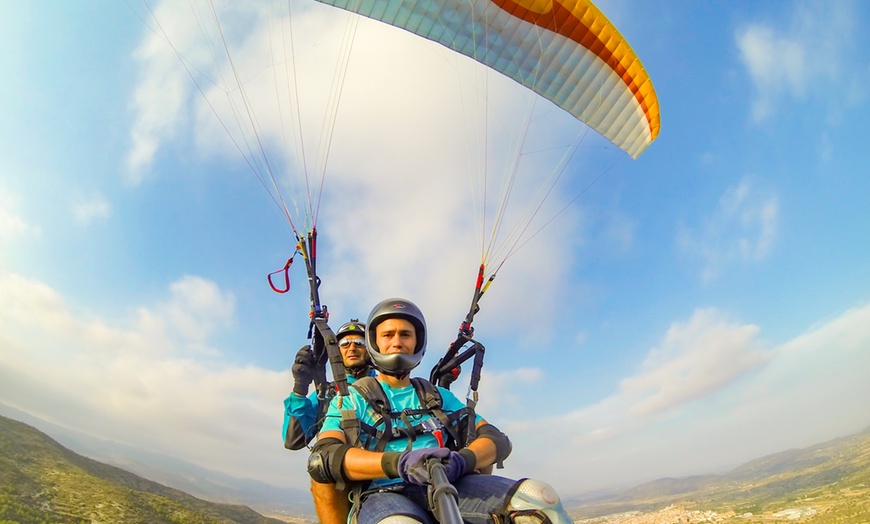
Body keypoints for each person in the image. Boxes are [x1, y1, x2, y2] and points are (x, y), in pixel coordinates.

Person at [309, 298, 573, 524]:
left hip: (452, 483)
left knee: (540, 500)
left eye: (405, 334)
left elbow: (494, 439)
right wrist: (397, 464)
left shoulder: (436, 396)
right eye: (388, 335)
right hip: (384, 493)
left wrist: (461, 461)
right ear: (375, 344)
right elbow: (324, 458)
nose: (397, 342)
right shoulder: (351, 399)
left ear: (417, 342)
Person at [283, 319, 375, 524]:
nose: (352, 348)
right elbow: (293, 440)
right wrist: (299, 388)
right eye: (344, 344)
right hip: (338, 487)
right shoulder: (328, 393)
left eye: (359, 343)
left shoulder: (386, 388)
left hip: (382, 479)